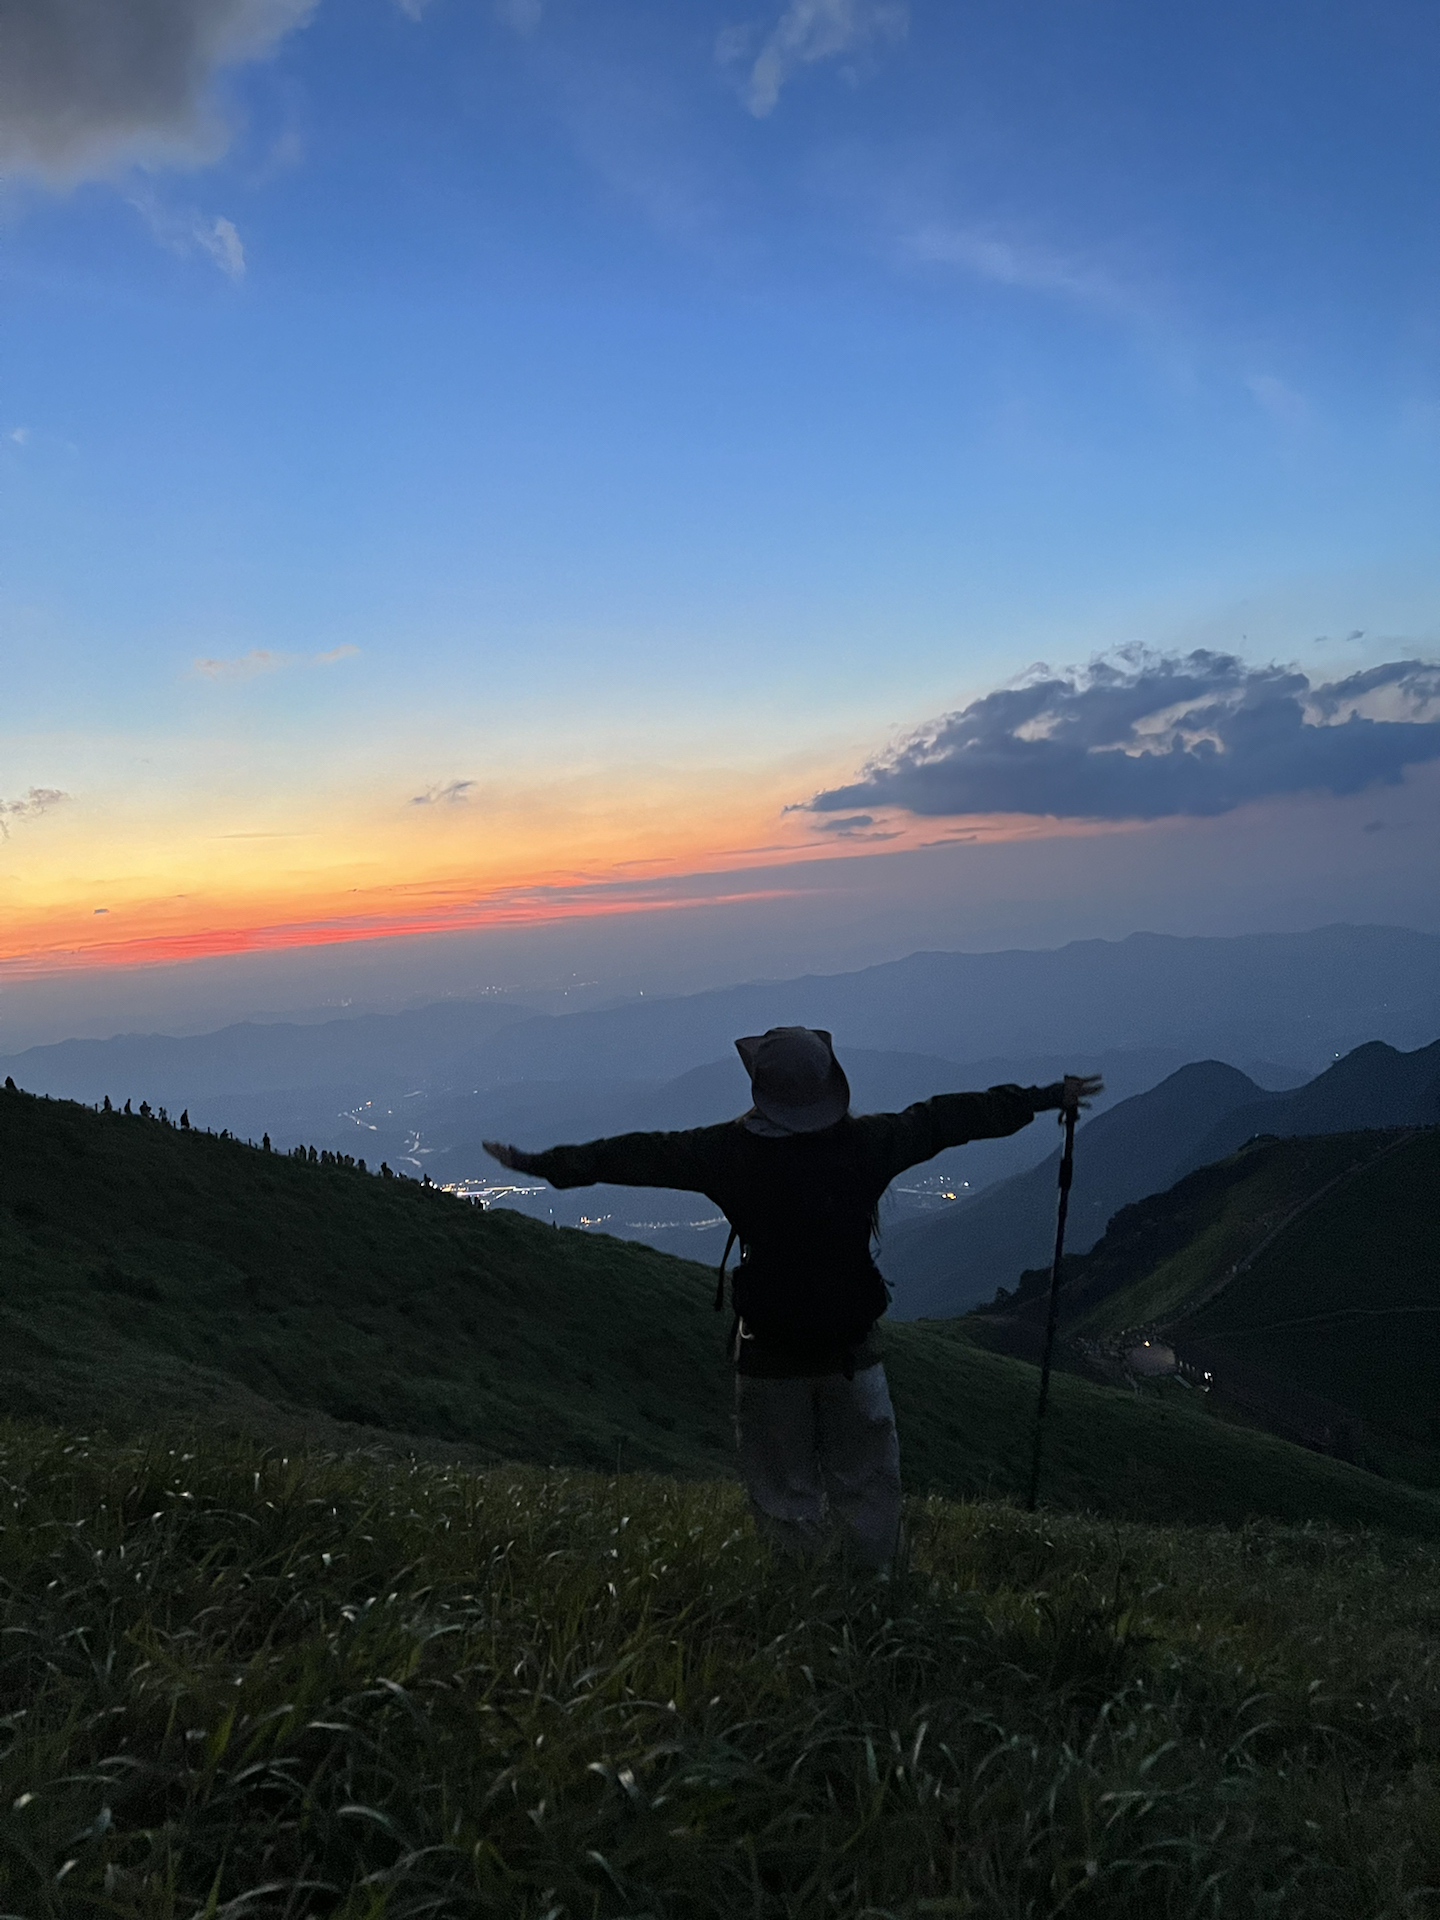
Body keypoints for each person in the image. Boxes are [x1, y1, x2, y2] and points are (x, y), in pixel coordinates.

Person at [485, 1028, 1101, 1569]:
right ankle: (874, 1595)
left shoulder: (727, 1153)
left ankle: (802, 1598)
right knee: (867, 1485)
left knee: (784, 1493)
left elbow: (637, 1155)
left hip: (769, 1352)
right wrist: (1047, 1096)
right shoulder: (869, 1143)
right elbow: (948, 1118)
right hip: (851, 1348)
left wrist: (543, 1165)